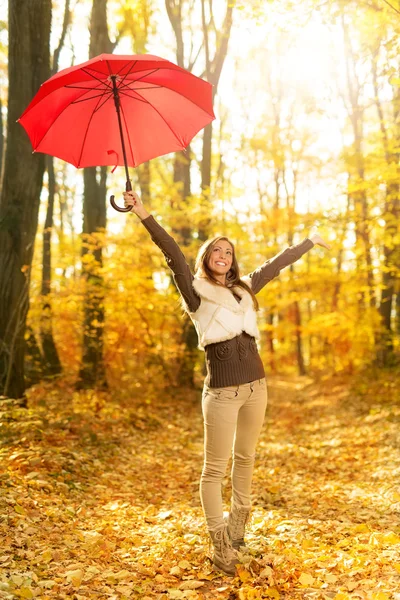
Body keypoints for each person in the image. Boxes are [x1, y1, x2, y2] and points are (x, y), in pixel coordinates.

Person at [123, 190, 331, 575]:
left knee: (247, 459)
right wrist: (142, 212)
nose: (224, 256)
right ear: (207, 257)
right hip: (221, 393)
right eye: (217, 251)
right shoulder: (195, 291)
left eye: (229, 252)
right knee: (214, 469)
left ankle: (238, 529)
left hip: (257, 387)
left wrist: (308, 241)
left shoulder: (244, 288)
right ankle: (219, 542)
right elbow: (171, 251)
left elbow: (273, 266)